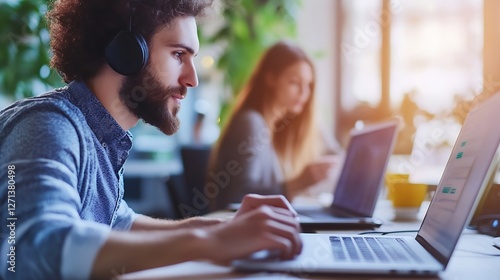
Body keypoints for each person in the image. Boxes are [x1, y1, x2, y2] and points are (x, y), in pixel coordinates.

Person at [0, 1, 302, 279]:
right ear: (128, 52)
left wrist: (224, 227)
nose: (192, 79)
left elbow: (119, 225)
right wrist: (207, 242)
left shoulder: (101, 138)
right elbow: (29, 250)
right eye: (178, 55)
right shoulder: (49, 125)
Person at [207, 41, 340, 211]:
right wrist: (299, 182)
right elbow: (237, 197)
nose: (304, 93)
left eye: (308, 85)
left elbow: (335, 153)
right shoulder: (250, 122)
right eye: (294, 82)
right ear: (270, 79)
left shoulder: (276, 127)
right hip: (241, 233)